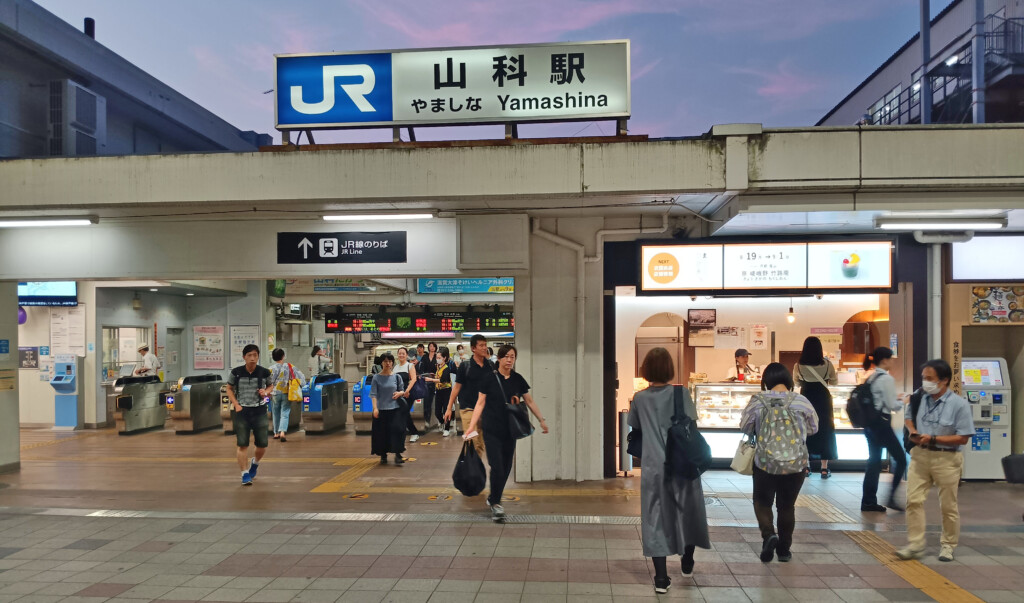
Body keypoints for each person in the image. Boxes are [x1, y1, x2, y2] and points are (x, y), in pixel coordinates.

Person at [628, 347, 711, 593]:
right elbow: (692, 425)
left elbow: (635, 427)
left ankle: (661, 579)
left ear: (646, 370)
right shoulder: (682, 393)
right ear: (670, 369)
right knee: (688, 512)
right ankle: (687, 560)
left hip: (654, 468)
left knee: (655, 519)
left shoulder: (640, 398)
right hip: (683, 464)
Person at [739, 363, 818, 563]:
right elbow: (813, 428)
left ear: (765, 381)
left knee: (762, 502)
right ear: (789, 381)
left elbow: (745, 427)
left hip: (765, 461)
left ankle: (768, 535)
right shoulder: (801, 401)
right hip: (796, 463)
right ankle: (784, 551)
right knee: (787, 506)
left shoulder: (758, 401)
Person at [897, 359, 975, 563]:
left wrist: (933, 438)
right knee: (913, 501)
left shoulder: (959, 405)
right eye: (924, 378)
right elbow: (908, 417)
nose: (925, 382)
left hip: (947, 458)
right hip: (920, 455)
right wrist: (913, 431)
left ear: (944, 380)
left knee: (948, 506)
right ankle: (915, 545)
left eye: (930, 378)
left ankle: (948, 546)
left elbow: (964, 437)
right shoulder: (919, 397)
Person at [463, 344, 548, 521]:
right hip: (491, 429)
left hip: (510, 430)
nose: (510, 360)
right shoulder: (488, 379)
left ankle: (493, 498)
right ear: (499, 359)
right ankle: (496, 503)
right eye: (507, 357)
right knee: (497, 466)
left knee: (507, 467)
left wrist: (541, 420)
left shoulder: (518, 379)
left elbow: (529, 401)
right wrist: (471, 426)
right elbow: (480, 403)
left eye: (513, 357)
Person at [860, 347, 908, 513]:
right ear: (885, 360)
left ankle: (868, 501)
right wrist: (904, 401)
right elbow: (891, 406)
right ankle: (891, 498)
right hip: (882, 425)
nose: (893, 362)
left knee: (873, 461)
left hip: (870, 426)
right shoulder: (886, 379)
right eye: (891, 359)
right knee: (901, 459)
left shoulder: (871, 377)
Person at [226, 344, 273, 486]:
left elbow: (271, 385)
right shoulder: (236, 372)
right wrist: (236, 404)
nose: (252, 358)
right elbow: (229, 388)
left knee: (262, 444)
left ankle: (255, 463)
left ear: (258, 356)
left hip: (259, 411)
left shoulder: (264, 372)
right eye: (249, 355)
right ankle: (244, 473)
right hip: (242, 411)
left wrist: (266, 392)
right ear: (244, 357)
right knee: (242, 444)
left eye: (255, 355)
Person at [794, 337, 839, 479]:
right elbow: (834, 382)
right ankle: (824, 468)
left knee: (805, 431)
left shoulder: (799, 365)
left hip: (806, 399)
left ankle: (806, 466)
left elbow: (796, 382)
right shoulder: (827, 364)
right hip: (823, 400)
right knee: (824, 430)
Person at [446, 334, 493, 458]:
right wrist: (449, 408)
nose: (484, 348)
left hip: (486, 409)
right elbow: (456, 388)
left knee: (480, 443)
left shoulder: (491, 366)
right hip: (468, 408)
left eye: (485, 345)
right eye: (481, 345)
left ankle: (473, 469)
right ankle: (472, 471)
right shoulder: (465, 366)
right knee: (473, 440)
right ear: (473, 348)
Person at [370, 352, 407, 465]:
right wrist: (375, 408)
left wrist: (399, 393)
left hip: (395, 409)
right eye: (385, 361)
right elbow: (373, 394)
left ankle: (398, 454)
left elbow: (402, 390)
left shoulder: (397, 376)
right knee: (382, 433)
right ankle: (383, 455)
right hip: (381, 410)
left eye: (390, 361)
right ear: (381, 363)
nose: (388, 363)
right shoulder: (376, 378)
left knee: (398, 431)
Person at [268, 348, 306, 442]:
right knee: (285, 413)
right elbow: (301, 377)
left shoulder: (270, 369)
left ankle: (276, 433)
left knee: (275, 413)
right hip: (286, 393)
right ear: (283, 356)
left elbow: (267, 382)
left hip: (275, 394)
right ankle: (282, 432)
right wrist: (303, 385)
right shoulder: (289, 366)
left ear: (273, 357)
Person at [424, 346, 455, 435]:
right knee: (437, 412)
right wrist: (433, 376)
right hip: (438, 391)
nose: (437, 359)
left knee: (446, 410)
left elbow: (443, 380)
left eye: (439, 358)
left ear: (444, 358)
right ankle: (442, 422)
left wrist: (431, 380)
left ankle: (447, 429)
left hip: (446, 391)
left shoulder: (446, 368)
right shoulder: (438, 367)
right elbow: (439, 377)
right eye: (436, 358)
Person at [394, 347, 421, 442]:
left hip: (408, 394)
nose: (401, 355)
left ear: (406, 355)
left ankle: (414, 433)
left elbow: (414, 379)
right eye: (399, 353)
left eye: (403, 353)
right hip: (398, 394)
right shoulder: (395, 367)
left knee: (404, 412)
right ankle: (408, 432)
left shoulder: (409, 365)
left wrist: (407, 391)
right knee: (402, 413)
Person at [418, 343, 439, 431]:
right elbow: (421, 369)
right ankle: (427, 420)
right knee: (427, 402)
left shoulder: (438, 356)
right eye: (430, 346)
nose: (432, 348)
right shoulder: (425, 357)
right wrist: (424, 375)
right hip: (426, 381)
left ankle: (439, 420)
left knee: (437, 401)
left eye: (433, 346)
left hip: (436, 381)